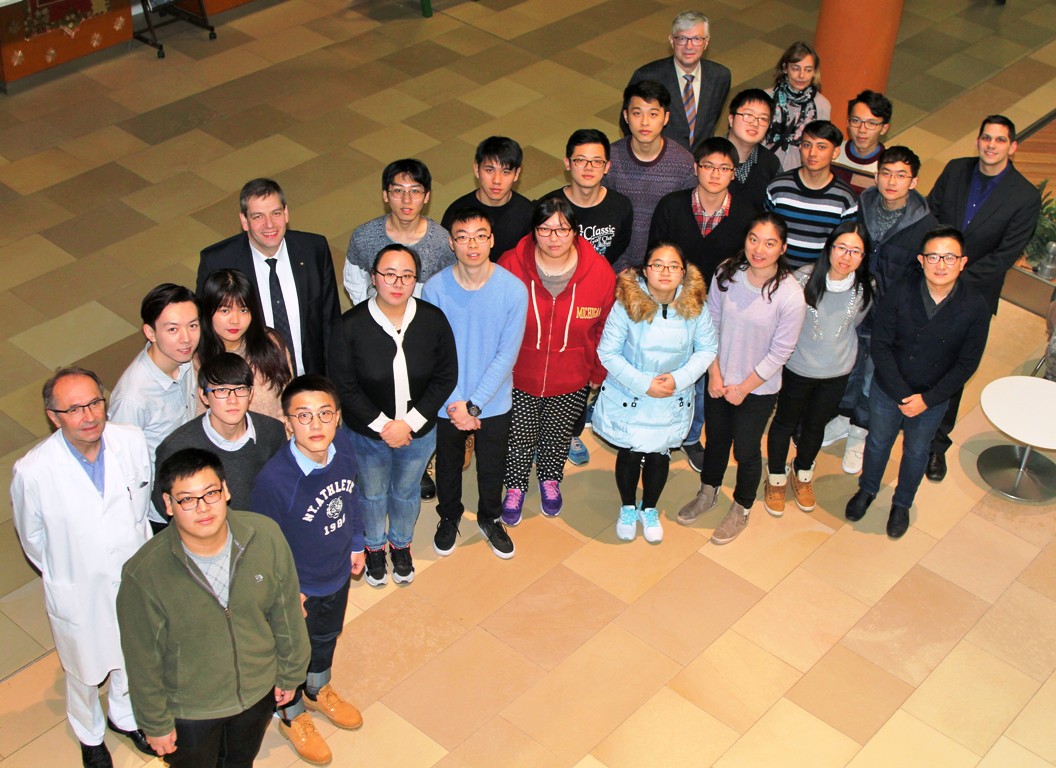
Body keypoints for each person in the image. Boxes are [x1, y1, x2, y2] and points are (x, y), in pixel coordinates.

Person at [117, 449, 310, 768]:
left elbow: (287, 612)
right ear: (168, 505)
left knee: (239, 762)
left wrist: (291, 673)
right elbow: (142, 660)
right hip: (191, 710)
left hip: (257, 691)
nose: (203, 507)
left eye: (211, 493)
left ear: (226, 490)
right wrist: (155, 723)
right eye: (187, 499)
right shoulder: (144, 575)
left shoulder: (265, 536)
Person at [12, 367, 153, 768]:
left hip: (132, 574)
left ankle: (124, 716)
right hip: (77, 586)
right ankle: (89, 734)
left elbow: (141, 502)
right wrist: (73, 567)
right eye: (74, 409)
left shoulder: (130, 440)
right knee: (83, 670)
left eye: (94, 403)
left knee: (132, 651)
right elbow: (33, 539)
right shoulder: (33, 471)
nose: (89, 416)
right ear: (53, 417)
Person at [250, 375, 367, 765]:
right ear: (288, 424)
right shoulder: (275, 481)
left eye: (324, 414)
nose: (315, 425)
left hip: (336, 571)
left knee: (326, 636)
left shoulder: (343, 447)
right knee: (290, 652)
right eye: (303, 416)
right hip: (297, 587)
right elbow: (262, 548)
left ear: (338, 418)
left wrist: (356, 541)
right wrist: (285, 592)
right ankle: (291, 713)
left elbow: (351, 497)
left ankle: (317, 689)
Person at [845, 227, 990, 538]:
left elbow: (967, 363)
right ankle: (867, 489)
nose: (941, 264)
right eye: (933, 257)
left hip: (932, 396)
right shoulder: (901, 291)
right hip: (889, 388)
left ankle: (902, 504)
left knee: (916, 451)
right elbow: (881, 345)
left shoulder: (975, 306)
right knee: (878, 442)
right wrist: (901, 394)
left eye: (949, 257)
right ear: (922, 260)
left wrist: (927, 399)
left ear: (962, 262)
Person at [924, 115, 1042, 482]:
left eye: (1000, 140)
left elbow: (1005, 255)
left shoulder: (1024, 196)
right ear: (978, 141)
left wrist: (953, 276)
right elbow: (930, 214)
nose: (991, 145)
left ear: (1012, 147)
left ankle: (936, 444)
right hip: (927, 282)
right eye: (986, 138)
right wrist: (936, 266)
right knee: (915, 351)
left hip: (972, 295)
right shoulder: (955, 169)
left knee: (953, 369)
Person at [676, 213, 806, 545]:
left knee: (747, 450)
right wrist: (715, 374)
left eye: (769, 243)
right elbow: (710, 326)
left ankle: (742, 506)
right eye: (753, 239)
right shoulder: (727, 273)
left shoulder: (790, 294)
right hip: (719, 380)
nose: (759, 249)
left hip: (758, 389)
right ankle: (708, 492)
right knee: (716, 441)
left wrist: (743, 388)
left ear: (783, 248)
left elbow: (780, 352)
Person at [330, 244, 457, 575]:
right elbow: (344, 385)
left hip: (418, 433)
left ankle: (401, 544)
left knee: (406, 492)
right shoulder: (349, 326)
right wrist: (384, 426)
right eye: (389, 274)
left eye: (407, 275)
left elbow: (446, 376)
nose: (398, 283)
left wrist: (409, 423)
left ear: (416, 280)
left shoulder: (432, 320)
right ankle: (374, 546)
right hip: (366, 434)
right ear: (373, 277)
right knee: (371, 494)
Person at [498, 196, 616, 524]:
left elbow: (606, 328)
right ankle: (515, 486)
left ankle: (550, 479)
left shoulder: (599, 273)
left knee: (558, 434)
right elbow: (493, 322)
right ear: (533, 231)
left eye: (562, 230)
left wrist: (598, 372)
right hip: (518, 375)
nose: (554, 238)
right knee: (519, 436)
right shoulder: (509, 265)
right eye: (545, 229)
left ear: (575, 232)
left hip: (572, 377)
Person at [592, 242, 717, 543]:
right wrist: (643, 383)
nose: (665, 272)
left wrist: (678, 379)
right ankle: (627, 506)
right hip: (632, 393)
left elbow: (707, 349)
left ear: (683, 273)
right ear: (645, 270)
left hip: (672, 394)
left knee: (660, 454)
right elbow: (608, 352)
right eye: (657, 265)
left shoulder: (696, 306)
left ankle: (649, 508)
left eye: (673, 266)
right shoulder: (626, 304)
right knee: (630, 452)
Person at [825, 146, 939, 473]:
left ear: (913, 182)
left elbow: (923, 278)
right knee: (848, 365)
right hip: (853, 303)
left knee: (873, 375)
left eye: (901, 175)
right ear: (876, 176)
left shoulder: (925, 225)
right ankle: (843, 416)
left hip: (891, 316)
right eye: (886, 173)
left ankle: (861, 429)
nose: (891, 181)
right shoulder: (860, 207)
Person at [423, 208, 528, 558]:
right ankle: (449, 515)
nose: (472, 245)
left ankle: (489, 517)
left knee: (493, 464)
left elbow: (507, 354)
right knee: (447, 464)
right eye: (463, 237)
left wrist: (474, 405)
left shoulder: (513, 290)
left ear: (492, 241)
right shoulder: (435, 289)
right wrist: (457, 403)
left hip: (492, 400)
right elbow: (434, 351)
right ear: (451, 243)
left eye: (480, 236)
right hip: (448, 401)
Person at [649, 136, 757, 471]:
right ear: (696, 168)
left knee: (702, 376)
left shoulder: (746, 213)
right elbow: (655, 256)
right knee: (665, 369)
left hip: (718, 311)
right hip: (672, 304)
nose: (714, 174)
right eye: (708, 166)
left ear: (733, 173)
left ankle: (691, 436)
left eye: (723, 168)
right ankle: (657, 433)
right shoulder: (672, 205)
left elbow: (745, 266)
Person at [539, 128, 634, 466]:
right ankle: (541, 431)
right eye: (580, 160)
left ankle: (570, 430)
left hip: (593, 299)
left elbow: (618, 248)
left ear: (608, 166)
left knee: (584, 367)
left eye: (596, 161)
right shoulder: (549, 205)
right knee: (548, 366)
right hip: (554, 299)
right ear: (567, 163)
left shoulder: (620, 206)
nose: (588, 168)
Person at [764, 223, 873, 516]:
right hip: (798, 368)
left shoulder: (865, 289)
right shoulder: (802, 278)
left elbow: (854, 324)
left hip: (836, 372)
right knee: (785, 422)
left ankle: (803, 473)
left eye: (855, 251)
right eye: (841, 248)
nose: (846, 257)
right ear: (829, 247)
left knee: (815, 426)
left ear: (863, 257)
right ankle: (776, 477)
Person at [197, 178, 341, 377]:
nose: (269, 224)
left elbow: (330, 321)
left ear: (286, 213)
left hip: (311, 379)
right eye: (258, 216)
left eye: (276, 213)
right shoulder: (217, 262)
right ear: (244, 221)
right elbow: (206, 329)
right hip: (253, 382)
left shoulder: (314, 249)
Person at [109, 283, 200, 533]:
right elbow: (120, 467)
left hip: (189, 485)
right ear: (150, 332)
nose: (186, 338)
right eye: (173, 329)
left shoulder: (184, 360)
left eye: (193, 325)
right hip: (159, 509)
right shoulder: (133, 398)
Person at [153, 353, 286, 516]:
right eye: (221, 390)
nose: (233, 400)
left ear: (251, 393)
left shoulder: (273, 431)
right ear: (203, 396)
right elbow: (165, 505)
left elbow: (283, 489)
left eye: (240, 389)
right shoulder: (177, 447)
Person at [605, 79, 696, 272]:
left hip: (664, 270)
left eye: (653, 114)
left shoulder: (684, 163)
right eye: (637, 113)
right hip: (615, 266)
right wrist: (622, 271)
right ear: (626, 116)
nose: (644, 122)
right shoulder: (609, 159)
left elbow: (685, 226)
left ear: (666, 118)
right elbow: (604, 222)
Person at [344, 158, 455, 304]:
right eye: (398, 190)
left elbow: (450, 288)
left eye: (415, 191)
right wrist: (372, 312)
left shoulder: (443, 242)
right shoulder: (364, 236)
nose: (406, 200)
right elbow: (354, 282)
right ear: (385, 195)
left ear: (426, 196)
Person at [620, 10, 731, 152]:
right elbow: (628, 123)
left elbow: (711, 121)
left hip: (699, 160)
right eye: (682, 39)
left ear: (706, 42)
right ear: (672, 41)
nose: (689, 46)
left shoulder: (720, 76)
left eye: (697, 39)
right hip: (659, 159)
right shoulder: (647, 76)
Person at [196, 268, 293, 421]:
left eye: (243, 310)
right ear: (208, 311)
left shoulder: (271, 343)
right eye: (225, 311)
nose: (235, 320)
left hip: (276, 434)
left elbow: (290, 401)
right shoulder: (196, 358)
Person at [765, 120, 858, 267]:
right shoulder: (778, 187)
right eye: (807, 145)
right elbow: (764, 232)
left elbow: (843, 247)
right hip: (775, 271)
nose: (812, 153)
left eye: (821, 147)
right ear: (800, 148)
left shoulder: (845, 198)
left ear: (835, 152)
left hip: (817, 275)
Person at [440, 136, 533, 259]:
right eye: (489, 170)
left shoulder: (528, 213)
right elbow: (445, 259)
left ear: (516, 174)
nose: (497, 180)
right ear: (476, 169)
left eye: (506, 172)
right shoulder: (456, 211)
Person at [764, 41, 832, 171]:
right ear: (785, 68)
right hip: (764, 167)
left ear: (814, 72)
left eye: (808, 70)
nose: (801, 75)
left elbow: (822, 146)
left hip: (800, 171)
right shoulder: (766, 98)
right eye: (796, 68)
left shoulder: (822, 105)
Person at [725, 88, 781, 212]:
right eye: (748, 115)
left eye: (763, 119)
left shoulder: (771, 163)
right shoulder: (708, 153)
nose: (755, 124)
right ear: (731, 119)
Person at [831, 90, 892, 194]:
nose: (862, 130)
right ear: (848, 122)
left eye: (871, 123)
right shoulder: (831, 154)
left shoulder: (891, 165)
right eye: (856, 121)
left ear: (884, 128)